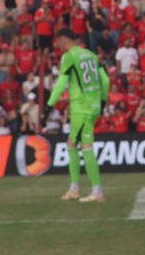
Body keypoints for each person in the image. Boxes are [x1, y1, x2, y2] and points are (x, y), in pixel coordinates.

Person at [47, 28, 109, 202]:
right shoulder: (91, 54)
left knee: (86, 146)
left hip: (81, 107)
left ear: (63, 40)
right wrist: (102, 101)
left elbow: (61, 83)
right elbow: (105, 80)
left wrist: (50, 104)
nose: (57, 46)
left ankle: (97, 191)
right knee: (72, 143)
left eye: (58, 42)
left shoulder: (69, 57)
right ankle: (75, 188)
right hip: (93, 105)